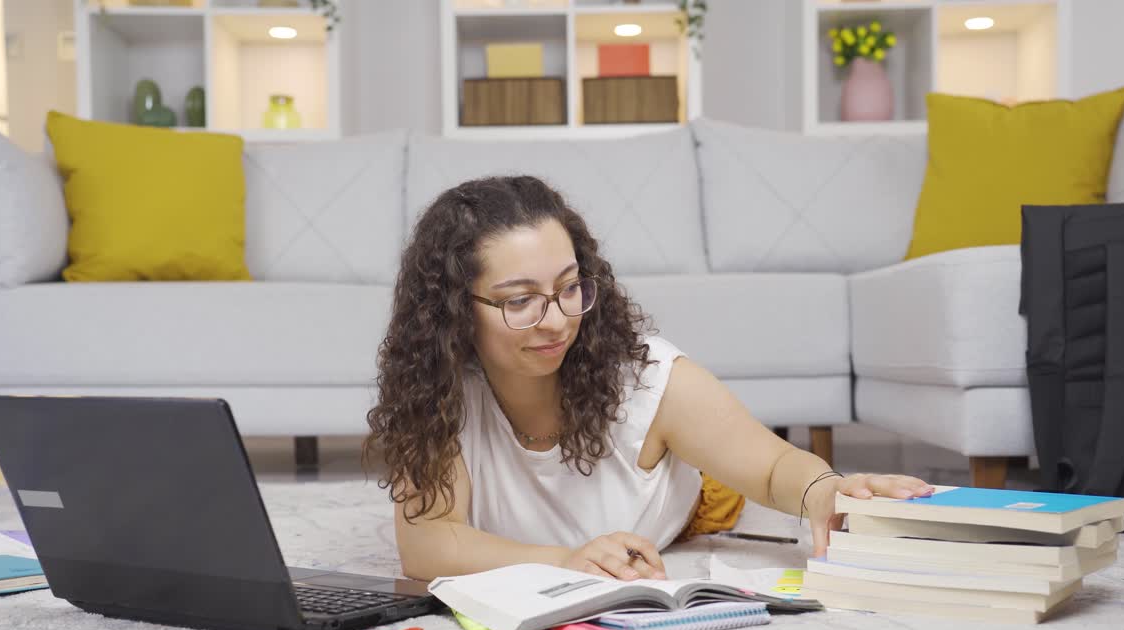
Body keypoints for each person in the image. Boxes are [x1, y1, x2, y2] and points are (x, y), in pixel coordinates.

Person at [366, 175, 932, 582]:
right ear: (454, 310)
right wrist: (564, 560)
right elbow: (428, 544)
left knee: (734, 483)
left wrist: (825, 491)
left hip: (698, 502)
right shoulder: (439, 393)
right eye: (520, 301)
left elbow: (775, 465)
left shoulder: (646, 379)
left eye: (569, 287)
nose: (558, 319)